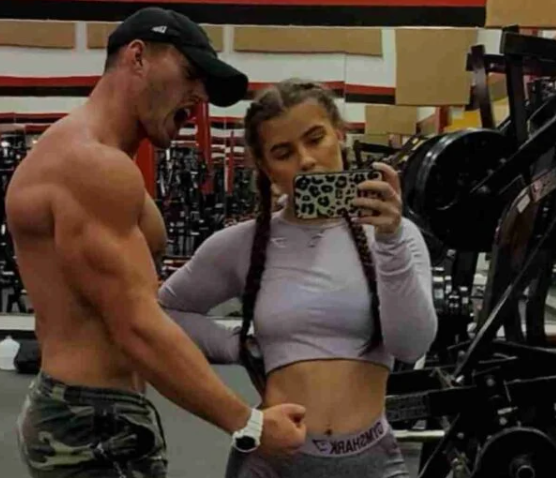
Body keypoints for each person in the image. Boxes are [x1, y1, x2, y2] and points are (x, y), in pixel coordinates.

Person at [7, 8, 307, 478]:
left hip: (103, 410)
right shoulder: (90, 164)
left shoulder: (105, 160)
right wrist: (248, 423)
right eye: (190, 75)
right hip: (90, 421)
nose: (199, 98)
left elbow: (149, 300)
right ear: (138, 57)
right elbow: (135, 324)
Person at [158, 79, 438, 477]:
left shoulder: (396, 235)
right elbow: (164, 311)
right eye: (283, 152)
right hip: (272, 462)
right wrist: (238, 345)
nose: (306, 160)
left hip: (372, 459)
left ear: (339, 134)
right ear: (265, 167)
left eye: (315, 138)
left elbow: (411, 345)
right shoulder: (241, 244)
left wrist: (390, 241)